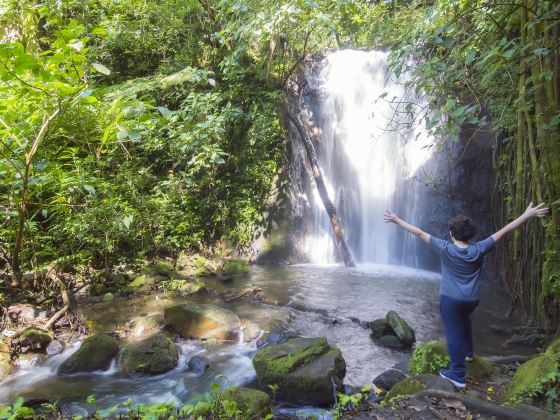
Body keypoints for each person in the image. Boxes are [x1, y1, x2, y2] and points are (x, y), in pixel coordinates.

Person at [384, 202, 549, 388]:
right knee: (465, 321)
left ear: (452, 233)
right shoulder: (478, 249)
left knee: (454, 334)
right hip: (470, 300)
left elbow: (419, 233)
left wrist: (397, 220)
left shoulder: (445, 248)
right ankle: (469, 353)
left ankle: (457, 375)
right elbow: (505, 230)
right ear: (470, 235)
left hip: (450, 300)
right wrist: (527, 214)